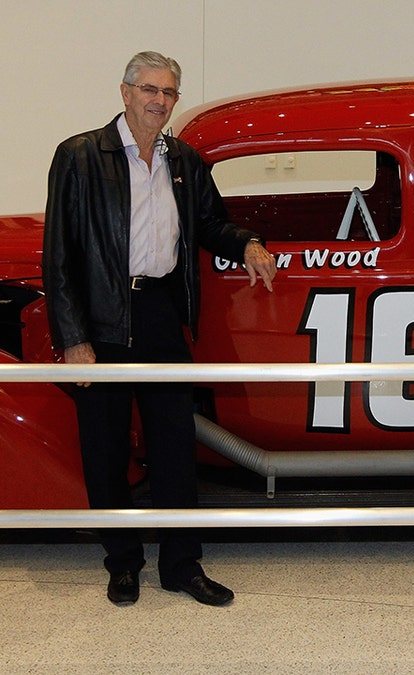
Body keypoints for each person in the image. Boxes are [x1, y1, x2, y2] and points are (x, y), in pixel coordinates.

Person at [43, 50, 277, 607]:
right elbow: (59, 255)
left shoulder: (184, 161)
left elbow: (209, 222)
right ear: (124, 93)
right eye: (149, 89)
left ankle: (181, 565)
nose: (159, 101)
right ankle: (122, 564)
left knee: (174, 447)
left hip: (160, 315)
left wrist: (246, 241)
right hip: (100, 320)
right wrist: (73, 340)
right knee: (104, 451)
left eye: (169, 93)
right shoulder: (79, 157)